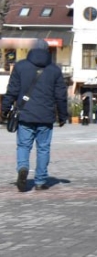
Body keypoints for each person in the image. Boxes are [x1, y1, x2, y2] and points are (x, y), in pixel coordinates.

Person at [2, 39, 68, 191]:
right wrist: (63, 115)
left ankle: (23, 167)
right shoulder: (55, 70)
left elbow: (12, 90)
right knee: (43, 148)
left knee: (23, 145)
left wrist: (5, 108)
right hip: (46, 116)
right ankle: (40, 181)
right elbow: (61, 95)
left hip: (25, 115)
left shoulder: (20, 66)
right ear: (47, 51)